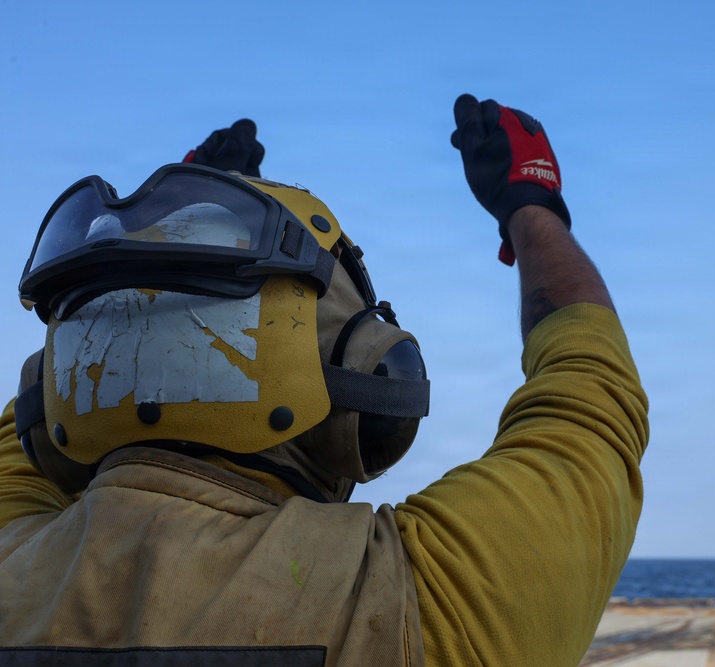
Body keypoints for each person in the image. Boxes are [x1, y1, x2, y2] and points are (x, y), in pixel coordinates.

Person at [0, 96, 649, 666]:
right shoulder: (425, 604)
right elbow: (589, 397)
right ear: (369, 364)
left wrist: (171, 229)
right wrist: (533, 210)